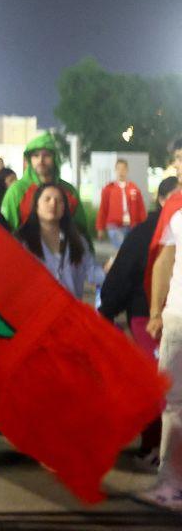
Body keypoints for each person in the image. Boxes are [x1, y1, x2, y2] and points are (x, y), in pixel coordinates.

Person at [101, 175, 178, 468]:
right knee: (159, 384)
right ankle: (156, 447)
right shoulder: (146, 232)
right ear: (161, 201)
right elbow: (125, 273)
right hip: (148, 317)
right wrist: (108, 308)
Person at [144, 138, 182, 511]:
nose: (179, 167)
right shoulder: (175, 206)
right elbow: (163, 261)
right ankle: (171, 482)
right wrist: (155, 312)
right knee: (174, 404)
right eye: (177, 160)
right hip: (178, 318)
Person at [16, 183, 99, 300]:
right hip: (36, 311)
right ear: (36, 205)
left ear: (64, 208)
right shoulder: (22, 241)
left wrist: (112, 269)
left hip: (71, 311)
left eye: (59, 201)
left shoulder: (77, 240)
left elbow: (92, 271)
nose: (53, 204)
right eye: (47, 199)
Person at [1, 133, 90, 243]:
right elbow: (4, 231)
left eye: (46, 155)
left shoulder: (69, 191)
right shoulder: (17, 191)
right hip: (26, 256)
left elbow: (82, 231)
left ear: (55, 158)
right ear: (29, 159)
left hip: (64, 256)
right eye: (36, 156)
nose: (41, 160)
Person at [96, 159, 146, 247]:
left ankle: (116, 260)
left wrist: (145, 226)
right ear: (115, 170)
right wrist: (100, 228)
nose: (121, 172)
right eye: (118, 169)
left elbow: (141, 209)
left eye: (123, 169)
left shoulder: (134, 189)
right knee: (121, 249)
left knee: (129, 251)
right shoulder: (108, 189)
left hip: (131, 226)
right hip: (115, 226)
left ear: (127, 171)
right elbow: (103, 209)